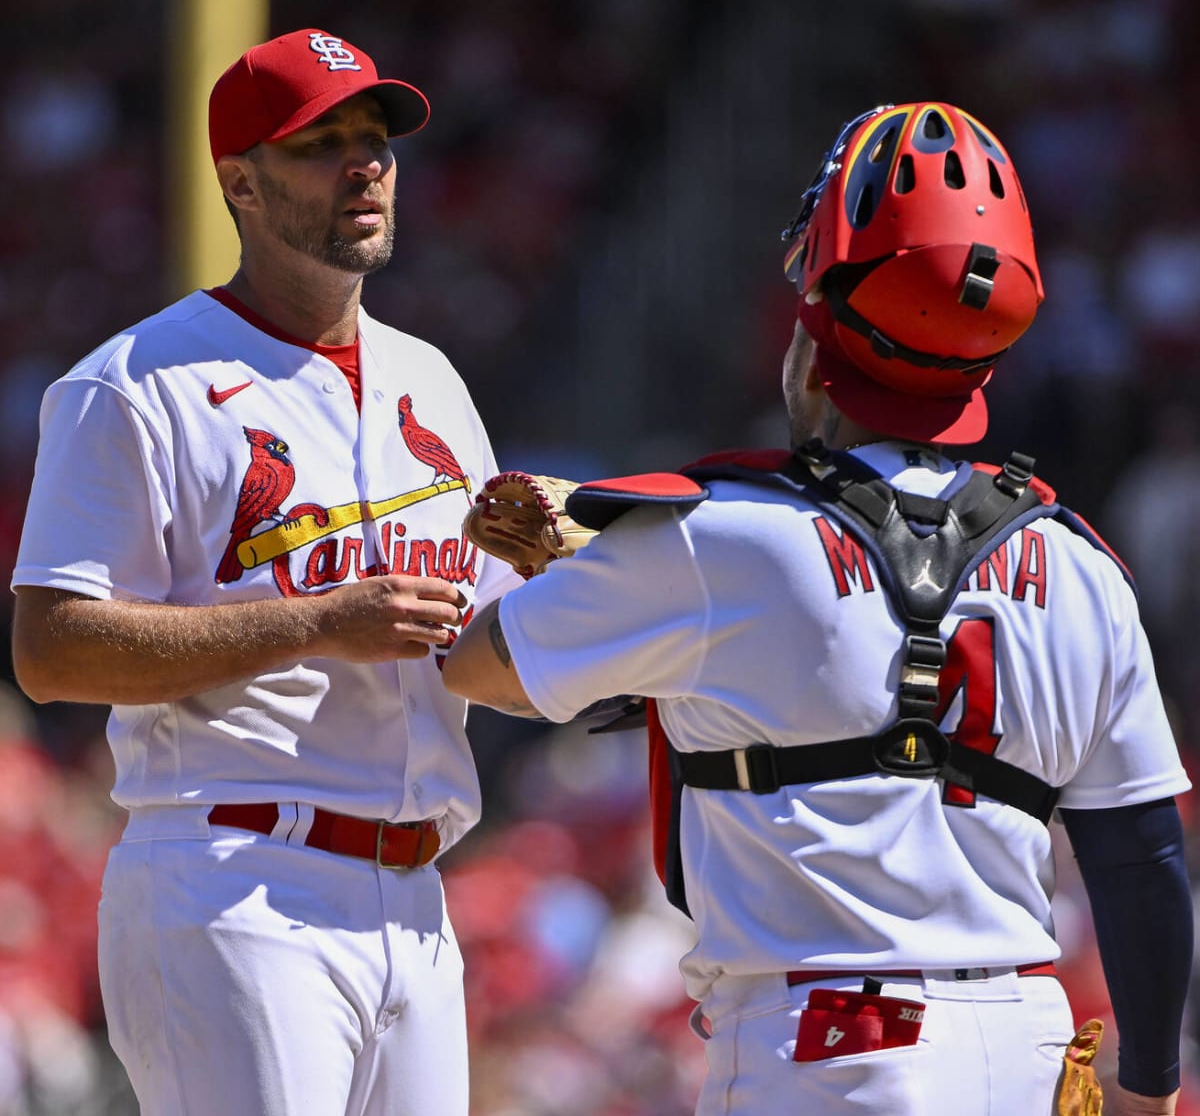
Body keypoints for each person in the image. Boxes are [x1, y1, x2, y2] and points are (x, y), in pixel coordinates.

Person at [442, 102, 1193, 1116]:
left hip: (834, 1051)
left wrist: (582, 581)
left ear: (822, 310)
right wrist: (1146, 1091)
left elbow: (482, 669)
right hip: (1029, 1049)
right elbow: (1142, 860)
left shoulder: (718, 538)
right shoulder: (1080, 568)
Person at [10, 27, 518, 1116]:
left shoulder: (433, 379)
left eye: (375, 137)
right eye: (321, 142)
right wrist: (314, 621)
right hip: (237, 876)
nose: (364, 163)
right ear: (240, 182)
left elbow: (487, 649)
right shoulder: (135, 384)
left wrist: (608, 609)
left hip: (419, 894)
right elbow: (51, 651)